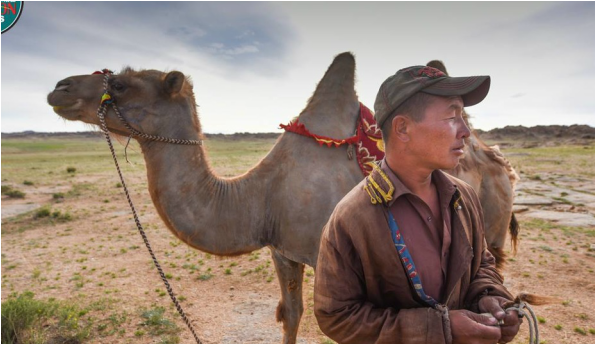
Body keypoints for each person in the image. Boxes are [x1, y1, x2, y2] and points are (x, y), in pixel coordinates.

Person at [314, 65, 522, 344]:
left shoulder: (464, 196)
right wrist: (440, 330)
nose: (465, 131)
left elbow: (480, 263)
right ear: (402, 128)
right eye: (451, 116)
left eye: (463, 116)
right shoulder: (351, 218)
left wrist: (490, 297)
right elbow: (336, 316)